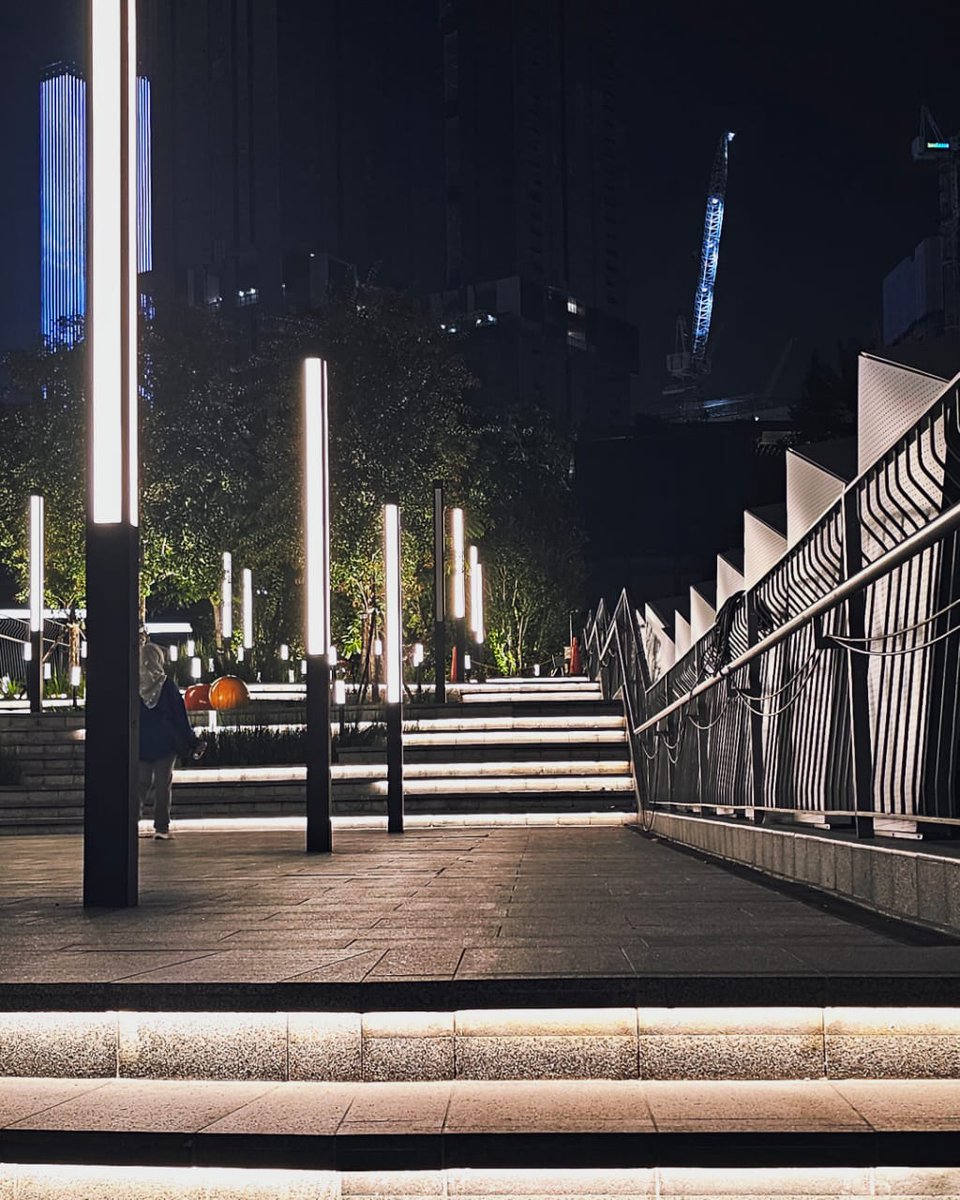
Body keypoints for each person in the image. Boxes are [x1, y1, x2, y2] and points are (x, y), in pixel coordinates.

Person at [138, 641, 203, 840]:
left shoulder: (133, 683)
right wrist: (192, 741)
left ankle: (131, 822)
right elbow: (179, 717)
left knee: (139, 785)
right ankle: (161, 827)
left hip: (141, 743)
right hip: (165, 744)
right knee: (162, 785)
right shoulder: (167, 685)